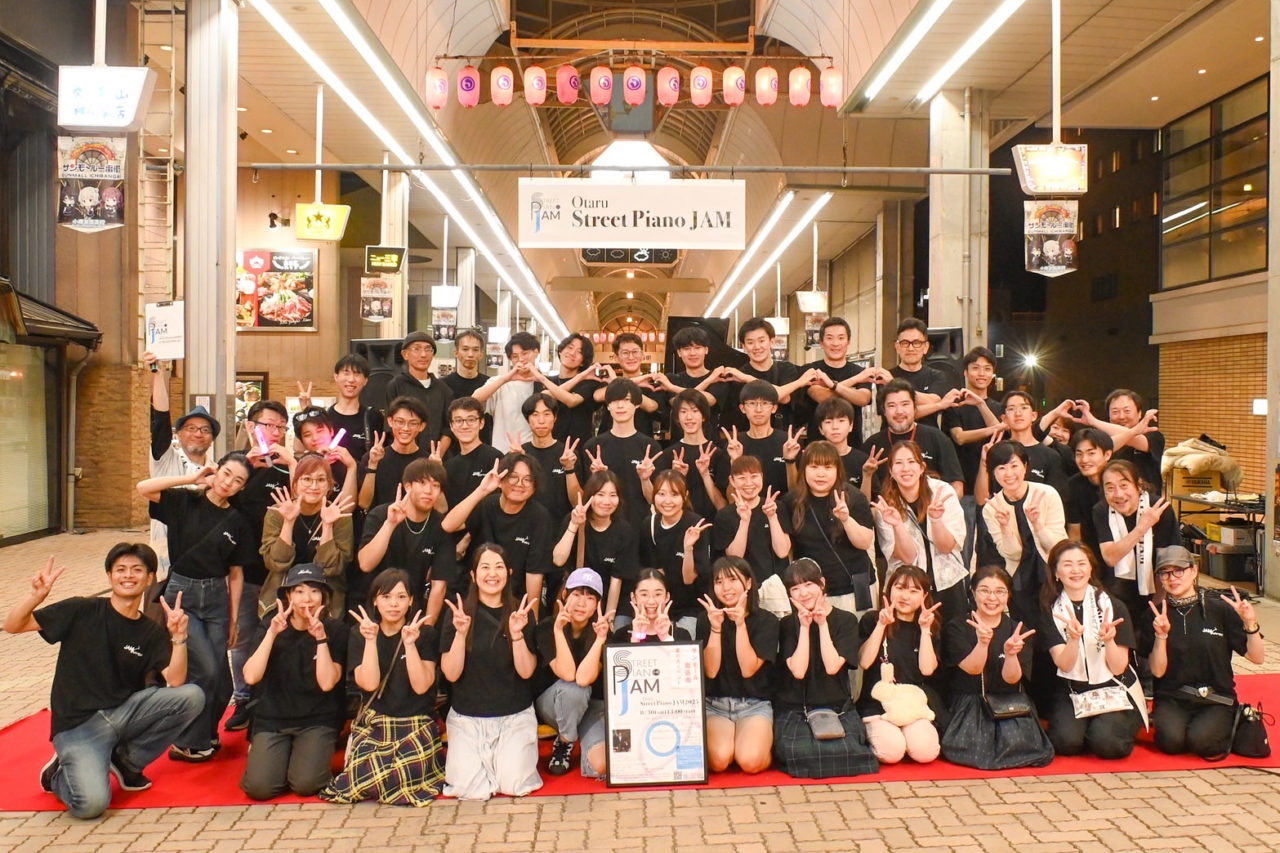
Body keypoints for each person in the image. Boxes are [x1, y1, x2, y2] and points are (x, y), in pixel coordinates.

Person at [4, 545, 203, 820]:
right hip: (77, 726)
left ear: (149, 579)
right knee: (91, 805)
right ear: (109, 576)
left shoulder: (150, 631)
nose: (128, 575)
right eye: (120, 569)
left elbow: (176, 681)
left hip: (124, 713)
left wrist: (179, 638)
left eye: (137, 570)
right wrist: (35, 597)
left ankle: (126, 762)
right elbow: (13, 626)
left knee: (192, 696)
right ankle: (58, 774)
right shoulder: (81, 609)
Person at [137, 453, 256, 763]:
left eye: (238, 481)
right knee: (206, 670)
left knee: (224, 680)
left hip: (217, 597)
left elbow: (236, 573)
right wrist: (191, 479)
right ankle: (186, 741)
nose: (228, 483)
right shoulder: (185, 501)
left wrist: (233, 618)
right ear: (216, 471)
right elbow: (143, 487)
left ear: (242, 487)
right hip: (182, 595)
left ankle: (206, 734)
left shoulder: (238, 521)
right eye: (226, 474)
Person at [322, 569, 446, 805]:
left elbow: (421, 686)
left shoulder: (425, 634)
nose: (394, 604)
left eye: (401, 597)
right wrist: (370, 641)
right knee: (364, 781)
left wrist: (410, 644)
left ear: (411, 601)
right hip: (376, 724)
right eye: (386, 597)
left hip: (416, 723)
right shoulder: (359, 633)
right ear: (375, 601)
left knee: (401, 778)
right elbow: (369, 684)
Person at [439, 545, 542, 800]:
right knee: (469, 789)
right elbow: (451, 674)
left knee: (513, 784)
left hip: (514, 716)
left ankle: (501, 761)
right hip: (468, 718)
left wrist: (517, 635)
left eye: (498, 567)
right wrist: (460, 634)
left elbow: (527, 671)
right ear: (473, 575)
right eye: (485, 567)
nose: (492, 574)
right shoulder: (458, 614)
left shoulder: (521, 613)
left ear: (509, 572)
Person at [239, 564, 347, 800]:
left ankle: (302, 755)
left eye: (314, 591)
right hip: (273, 718)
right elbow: (251, 676)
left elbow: (328, 683)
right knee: (259, 788)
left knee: (306, 784)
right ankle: (269, 753)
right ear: (288, 596)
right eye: (299, 591)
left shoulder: (335, 630)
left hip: (317, 719)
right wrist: (272, 633)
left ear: (324, 597)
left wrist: (321, 639)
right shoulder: (270, 625)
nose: (307, 599)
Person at [577, 568, 696, 778]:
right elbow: (619, 688)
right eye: (644, 594)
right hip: (626, 717)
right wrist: (636, 640)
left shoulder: (681, 634)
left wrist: (666, 639)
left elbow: (685, 685)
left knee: (665, 758)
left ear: (667, 597)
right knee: (605, 764)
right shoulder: (620, 636)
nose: (651, 601)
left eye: (658, 594)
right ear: (633, 597)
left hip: (665, 714)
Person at [1148, 545, 1265, 759]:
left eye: (1179, 570)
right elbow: (1157, 671)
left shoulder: (1219, 608)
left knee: (1203, 742)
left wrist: (1250, 623)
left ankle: (1228, 722)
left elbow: (1257, 658)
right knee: (1171, 742)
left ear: (1194, 571)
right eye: (1165, 573)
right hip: (1172, 697)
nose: (1172, 578)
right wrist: (1161, 636)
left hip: (1216, 698)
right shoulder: (1155, 615)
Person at [771, 558, 878, 779]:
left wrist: (822, 625)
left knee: (849, 753)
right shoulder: (787, 624)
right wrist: (804, 627)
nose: (803, 593)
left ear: (822, 584)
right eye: (795, 588)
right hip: (796, 709)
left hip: (837, 707)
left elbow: (832, 667)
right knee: (799, 752)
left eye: (808, 584)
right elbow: (798, 671)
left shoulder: (846, 620)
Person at [939, 565, 1053, 770]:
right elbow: (973, 669)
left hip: (1010, 704)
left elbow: (1012, 679)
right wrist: (983, 644)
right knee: (973, 751)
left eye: (1000, 591)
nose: (992, 598)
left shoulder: (1018, 630)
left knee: (1023, 749)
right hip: (970, 703)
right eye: (984, 590)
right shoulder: (958, 627)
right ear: (973, 592)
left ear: (1008, 595)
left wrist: (1011, 655)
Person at [226, 399, 295, 733]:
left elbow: (306, 497)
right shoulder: (236, 465)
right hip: (242, 569)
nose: (276, 432)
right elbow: (221, 500)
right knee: (242, 638)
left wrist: (293, 463)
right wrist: (247, 469)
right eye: (270, 425)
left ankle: (271, 697)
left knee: (278, 636)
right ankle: (243, 698)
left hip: (279, 570)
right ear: (251, 427)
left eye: (282, 426)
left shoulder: (286, 467)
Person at [1038, 541, 1142, 760]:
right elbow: (1065, 664)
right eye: (1067, 565)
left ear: (1091, 568)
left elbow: (1118, 667)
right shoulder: (1051, 611)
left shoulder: (1113, 606)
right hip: (1072, 690)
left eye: (1081, 563)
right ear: (1056, 572)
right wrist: (1073, 639)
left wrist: (1109, 641)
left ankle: (1104, 728)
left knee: (1109, 744)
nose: (1075, 570)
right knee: (1065, 743)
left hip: (1114, 687)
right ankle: (1088, 729)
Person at [856, 565, 945, 765]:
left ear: (924, 596)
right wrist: (881, 625)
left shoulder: (930, 624)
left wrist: (925, 630)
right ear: (889, 590)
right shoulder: (872, 619)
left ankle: (906, 738)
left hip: (914, 705)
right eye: (900, 588)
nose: (905, 596)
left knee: (926, 752)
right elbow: (865, 662)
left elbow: (927, 670)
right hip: (878, 706)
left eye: (914, 591)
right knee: (892, 752)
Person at [696, 556, 778, 774]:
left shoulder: (766, 621)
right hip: (715, 705)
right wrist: (716, 628)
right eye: (719, 581)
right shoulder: (706, 619)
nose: (726, 588)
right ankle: (735, 743)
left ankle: (762, 746)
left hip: (754, 704)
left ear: (748, 583)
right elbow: (710, 671)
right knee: (719, 760)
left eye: (732, 579)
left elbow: (748, 669)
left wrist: (740, 624)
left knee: (750, 761)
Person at [872, 442, 968, 624]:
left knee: (954, 636)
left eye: (911, 462)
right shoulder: (885, 506)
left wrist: (936, 520)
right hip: (907, 590)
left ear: (922, 467)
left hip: (948, 583)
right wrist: (897, 525)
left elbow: (946, 547)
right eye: (898, 463)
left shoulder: (943, 492)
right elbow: (908, 558)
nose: (905, 469)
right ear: (891, 471)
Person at [777, 441, 877, 614]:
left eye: (828, 467)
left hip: (855, 587)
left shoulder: (853, 497)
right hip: (812, 593)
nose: (821, 474)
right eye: (814, 467)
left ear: (837, 470)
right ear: (804, 469)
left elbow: (864, 543)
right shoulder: (791, 502)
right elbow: (788, 551)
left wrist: (846, 520)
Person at [441, 452, 554, 606]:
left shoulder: (539, 516)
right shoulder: (487, 504)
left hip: (514, 599)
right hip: (476, 594)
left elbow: (534, 573)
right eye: (513, 477)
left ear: (535, 487)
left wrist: (531, 614)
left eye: (528, 480)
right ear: (501, 481)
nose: (520, 484)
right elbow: (448, 525)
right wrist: (482, 490)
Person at [357, 458, 457, 626]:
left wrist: (426, 628)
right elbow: (366, 564)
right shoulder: (381, 514)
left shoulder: (441, 526)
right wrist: (390, 524)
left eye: (435, 485)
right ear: (407, 486)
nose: (428, 491)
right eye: (422, 483)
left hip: (413, 610)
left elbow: (439, 586)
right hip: (374, 607)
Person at [142, 351, 218, 570]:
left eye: (205, 430)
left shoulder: (216, 471)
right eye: (191, 428)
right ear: (179, 434)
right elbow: (160, 420)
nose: (198, 433)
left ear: (212, 439)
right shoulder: (166, 458)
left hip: (202, 560)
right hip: (165, 557)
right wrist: (158, 375)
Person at [532, 568, 610, 776]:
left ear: (598, 604)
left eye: (590, 597)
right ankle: (565, 741)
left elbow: (584, 678)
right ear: (565, 595)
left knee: (600, 766)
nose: (582, 603)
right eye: (576, 594)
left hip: (588, 707)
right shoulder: (547, 627)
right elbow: (567, 674)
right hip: (553, 704)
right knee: (574, 690)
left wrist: (600, 640)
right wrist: (558, 631)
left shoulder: (602, 632)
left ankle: (570, 736)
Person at [260, 453, 356, 616]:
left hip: (326, 599)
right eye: (307, 479)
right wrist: (288, 522)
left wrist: (327, 525)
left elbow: (332, 568)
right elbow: (276, 563)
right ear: (295, 484)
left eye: (321, 480)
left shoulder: (339, 516)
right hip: (281, 596)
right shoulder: (277, 512)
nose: (314, 486)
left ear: (329, 485)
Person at [981, 441, 1067, 623]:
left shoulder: (1047, 494)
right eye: (1001, 468)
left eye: (1014, 466)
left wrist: (1037, 524)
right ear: (993, 473)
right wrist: (1005, 527)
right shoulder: (992, 508)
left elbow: (1058, 547)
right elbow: (1012, 554)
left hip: (1053, 575)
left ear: (1025, 466)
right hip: (1019, 580)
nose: (1009, 474)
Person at [1094, 460, 1177, 629]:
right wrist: (1142, 527)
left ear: (1138, 486)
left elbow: (1168, 561)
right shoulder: (1101, 510)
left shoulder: (1159, 508)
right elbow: (1110, 557)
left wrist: (1158, 605)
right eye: (1110, 488)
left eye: (1124, 485)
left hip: (1156, 589)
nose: (1118, 494)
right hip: (1115, 591)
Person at [576, 378, 664, 533]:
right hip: (601, 528)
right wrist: (597, 478)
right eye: (615, 400)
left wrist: (645, 479)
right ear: (608, 405)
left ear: (637, 404)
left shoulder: (650, 448)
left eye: (627, 400)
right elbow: (584, 497)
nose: (620, 406)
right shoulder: (592, 447)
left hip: (640, 528)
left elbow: (654, 499)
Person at [552, 470, 640, 623]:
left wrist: (608, 619)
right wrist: (574, 524)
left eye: (613, 495)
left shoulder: (624, 531)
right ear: (590, 495)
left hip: (612, 601)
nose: (607, 501)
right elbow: (558, 560)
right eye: (600, 494)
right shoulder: (573, 520)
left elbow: (616, 581)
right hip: (579, 598)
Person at [861, 380, 963, 499]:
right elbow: (863, 498)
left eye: (905, 404)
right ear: (883, 410)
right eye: (892, 406)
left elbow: (957, 486)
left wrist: (941, 506)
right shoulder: (872, 445)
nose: (899, 411)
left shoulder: (937, 438)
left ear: (915, 407)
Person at [642, 470, 713, 637]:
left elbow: (689, 579)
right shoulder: (649, 524)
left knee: (682, 643)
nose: (667, 501)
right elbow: (655, 573)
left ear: (685, 496)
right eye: (661, 494)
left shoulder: (696, 524)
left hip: (692, 607)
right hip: (661, 607)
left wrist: (688, 548)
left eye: (674, 494)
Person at [711, 456, 790, 594]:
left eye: (754, 476)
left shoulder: (777, 507)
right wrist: (744, 521)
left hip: (776, 588)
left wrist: (772, 517)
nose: (749, 483)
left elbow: (783, 552)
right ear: (732, 481)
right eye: (742, 478)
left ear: (762, 477)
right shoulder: (724, 515)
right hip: (742, 589)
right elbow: (734, 557)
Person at [796, 317, 882, 443]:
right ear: (821, 343)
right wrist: (854, 381)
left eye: (841, 338)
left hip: (852, 445)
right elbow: (822, 397)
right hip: (818, 446)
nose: (835, 343)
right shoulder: (811, 370)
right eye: (830, 338)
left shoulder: (859, 371)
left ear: (848, 342)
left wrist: (831, 385)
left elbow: (863, 399)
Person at [973, 391, 1068, 503]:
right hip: (1000, 513)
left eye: (1024, 408)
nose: (1018, 413)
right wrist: (984, 462)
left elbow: (1056, 501)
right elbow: (981, 500)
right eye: (1011, 409)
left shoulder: (1050, 456)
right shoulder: (995, 452)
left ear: (1034, 416)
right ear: (1004, 418)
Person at [721, 317, 812, 434]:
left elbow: (784, 398)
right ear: (744, 346)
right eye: (750, 342)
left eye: (761, 341)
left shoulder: (786, 369)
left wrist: (747, 379)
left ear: (772, 342)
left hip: (782, 435)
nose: (756, 347)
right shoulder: (737, 376)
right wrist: (799, 383)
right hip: (749, 436)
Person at [653, 388, 730, 519]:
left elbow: (722, 506)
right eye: (683, 412)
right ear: (677, 417)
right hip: (678, 525)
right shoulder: (668, 455)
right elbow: (659, 502)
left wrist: (705, 474)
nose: (689, 417)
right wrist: (677, 477)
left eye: (695, 411)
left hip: (712, 525)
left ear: (704, 416)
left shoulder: (718, 454)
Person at [724, 379, 803, 496]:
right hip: (745, 506)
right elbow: (730, 498)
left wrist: (789, 461)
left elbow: (798, 493)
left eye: (765, 403)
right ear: (742, 408)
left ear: (774, 408)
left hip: (783, 506)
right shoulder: (734, 445)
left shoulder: (789, 442)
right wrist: (735, 462)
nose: (758, 410)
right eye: (752, 403)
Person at [471, 330, 542, 450]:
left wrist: (542, 379)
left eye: (525, 353)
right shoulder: (499, 382)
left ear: (536, 352)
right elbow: (474, 400)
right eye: (515, 356)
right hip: (503, 452)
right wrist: (506, 379)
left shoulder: (544, 384)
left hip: (533, 452)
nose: (520, 359)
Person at [357, 396, 430, 512]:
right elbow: (364, 503)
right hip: (380, 522)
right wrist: (372, 465)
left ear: (422, 426)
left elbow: (441, 508)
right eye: (400, 422)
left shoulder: (428, 462)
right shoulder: (372, 458)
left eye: (413, 423)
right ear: (390, 421)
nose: (405, 428)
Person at [518, 392, 581, 526]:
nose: (541, 420)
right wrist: (517, 461)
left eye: (547, 414)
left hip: (562, 527)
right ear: (527, 419)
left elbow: (578, 503)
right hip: (525, 528)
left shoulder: (569, 454)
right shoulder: (520, 454)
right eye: (535, 415)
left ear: (555, 417)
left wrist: (569, 468)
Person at [382, 331, 453, 447]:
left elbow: (448, 429)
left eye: (428, 349)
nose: (423, 354)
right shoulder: (396, 386)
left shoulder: (443, 389)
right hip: (405, 453)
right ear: (405, 354)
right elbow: (390, 427)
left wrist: (437, 455)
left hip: (438, 455)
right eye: (417, 349)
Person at [887, 318, 960, 429]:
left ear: (925, 347)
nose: (910, 348)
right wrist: (939, 405)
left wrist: (893, 385)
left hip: (930, 437)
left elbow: (933, 400)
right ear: (897, 347)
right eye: (905, 343)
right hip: (893, 437)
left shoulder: (938, 376)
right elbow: (892, 415)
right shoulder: (886, 376)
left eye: (916, 343)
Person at [593, 333, 665, 437]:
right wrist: (632, 381)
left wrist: (622, 383)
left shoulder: (651, 383)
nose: (631, 357)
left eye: (635, 352)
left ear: (642, 355)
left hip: (642, 440)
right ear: (616, 357)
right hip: (608, 439)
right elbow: (597, 396)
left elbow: (651, 406)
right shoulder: (609, 380)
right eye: (625, 353)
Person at [441, 396, 503, 510]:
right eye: (458, 421)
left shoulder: (496, 459)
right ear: (451, 426)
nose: (465, 426)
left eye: (471, 420)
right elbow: (444, 509)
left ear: (481, 423)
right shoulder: (448, 466)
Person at [1065, 427, 1116, 562]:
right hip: (1091, 555)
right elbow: (1074, 532)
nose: (1084, 460)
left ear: (1107, 455)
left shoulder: (1120, 479)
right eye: (1079, 454)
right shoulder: (1073, 485)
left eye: (1091, 453)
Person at [289, 407, 360, 504]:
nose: (315, 438)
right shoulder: (298, 466)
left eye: (319, 431)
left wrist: (351, 467)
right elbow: (298, 503)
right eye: (307, 435)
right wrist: (316, 460)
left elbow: (347, 508)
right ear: (302, 441)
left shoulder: (348, 462)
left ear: (331, 431)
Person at [324, 353, 386, 462]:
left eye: (357, 374)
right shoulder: (325, 417)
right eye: (346, 373)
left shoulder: (373, 416)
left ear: (365, 380)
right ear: (336, 377)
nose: (351, 379)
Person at [541, 333, 602, 445]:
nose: (572, 353)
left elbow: (572, 400)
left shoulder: (589, 382)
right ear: (560, 351)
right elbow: (543, 398)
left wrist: (581, 376)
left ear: (583, 361)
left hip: (579, 446)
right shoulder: (548, 381)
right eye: (570, 347)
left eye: (579, 352)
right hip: (548, 446)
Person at [443, 329, 491, 444]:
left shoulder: (489, 385)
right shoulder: (443, 385)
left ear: (481, 354)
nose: (470, 354)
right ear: (456, 353)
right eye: (465, 349)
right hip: (451, 449)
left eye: (475, 350)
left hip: (484, 448)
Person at [813, 398, 870, 491]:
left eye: (841, 421)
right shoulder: (812, 458)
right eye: (828, 422)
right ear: (820, 429)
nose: (835, 427)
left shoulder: (863, 460)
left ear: (851, 426)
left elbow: (869, 498)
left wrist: (867, 475)